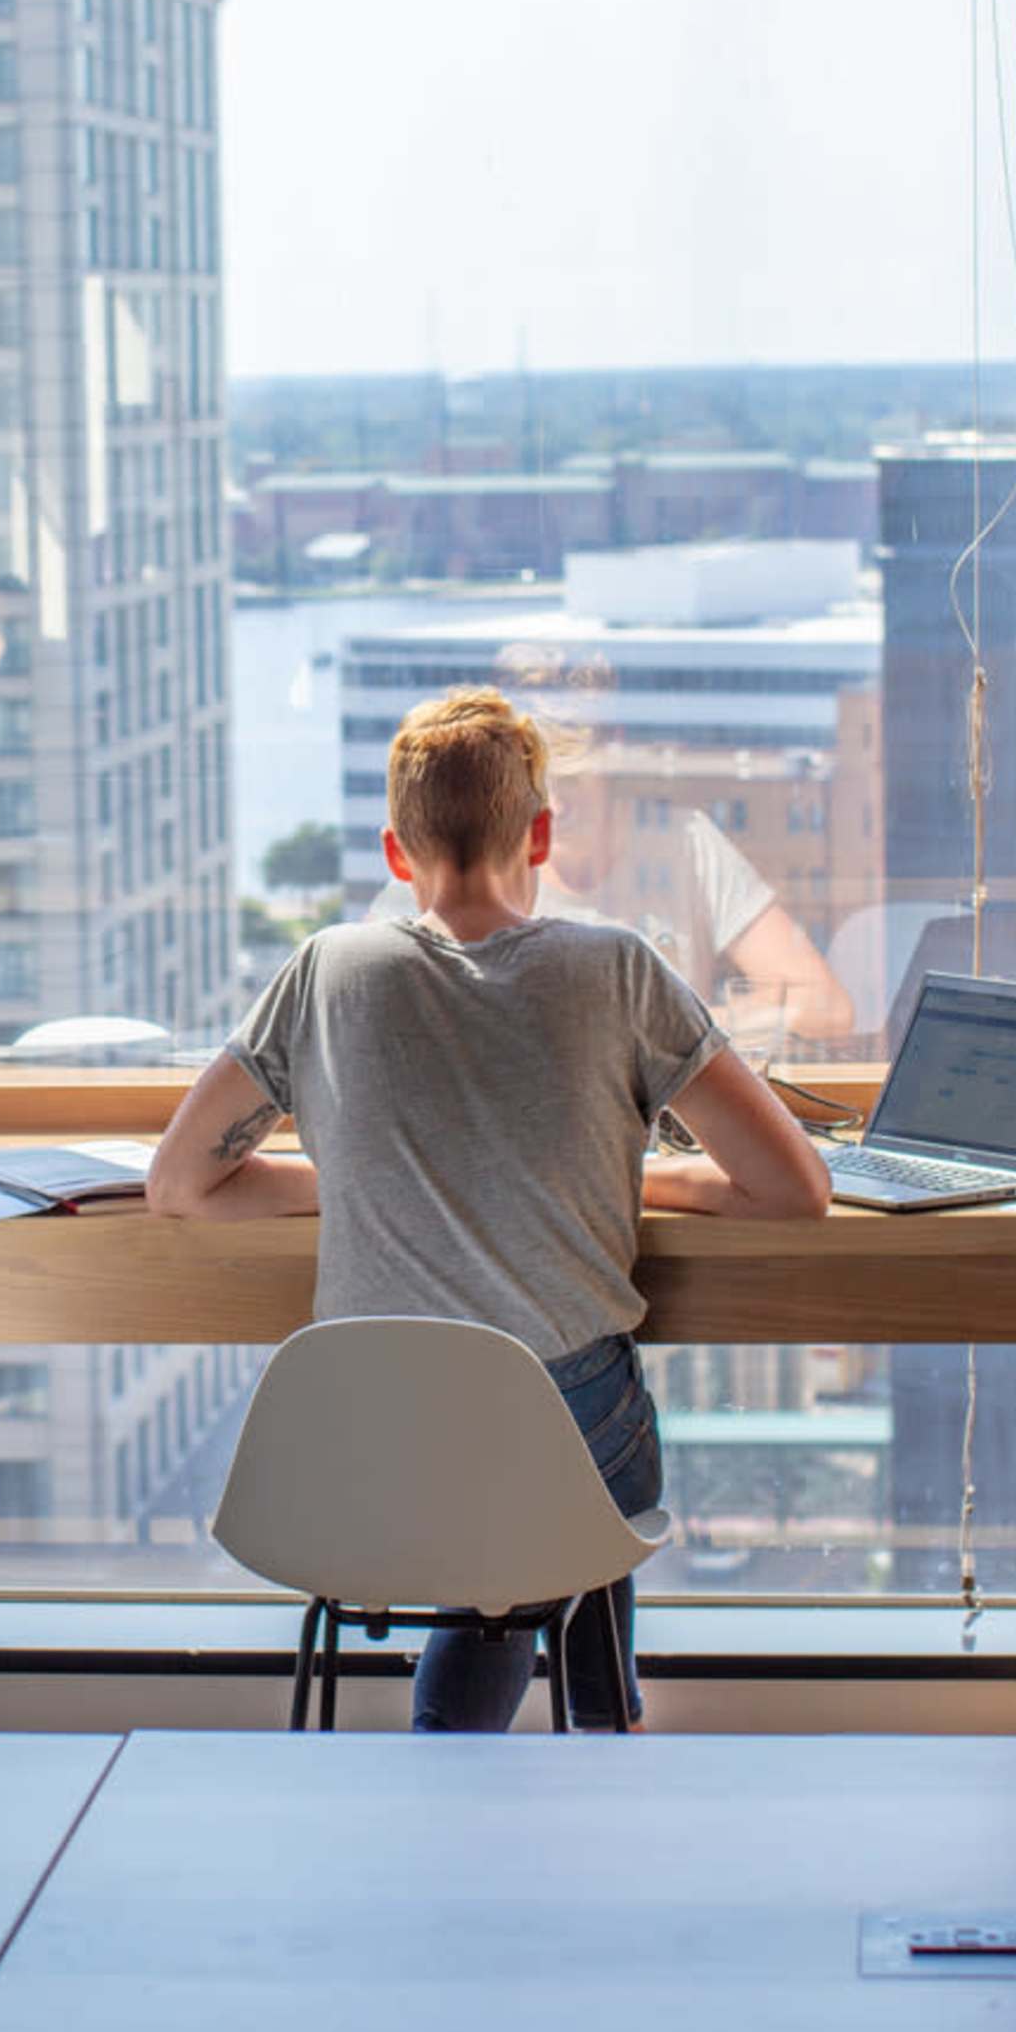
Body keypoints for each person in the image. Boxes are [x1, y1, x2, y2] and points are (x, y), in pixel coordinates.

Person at [152, 686, 829, 1731]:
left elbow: (180, 1184)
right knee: (563, 1448)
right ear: (543, 834)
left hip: (367, 1430)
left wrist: (379, 1178)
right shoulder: (615, 968)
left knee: (506, 1503)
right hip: (560, 1423)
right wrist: (598, 1172)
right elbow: (794, 1189)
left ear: (394, 850)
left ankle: (546, 1726)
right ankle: (569, 1731)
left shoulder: (326, 970)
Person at [366, 647, 851, 1047]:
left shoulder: (684, 844)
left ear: (614, 747)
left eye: (573, 774)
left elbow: (826, 1008)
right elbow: (372, 1015)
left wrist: (651, 1022)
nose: (553, 804)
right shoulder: (464, 861)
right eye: (536, 782)